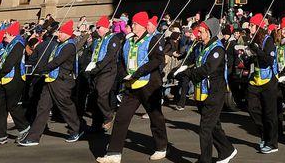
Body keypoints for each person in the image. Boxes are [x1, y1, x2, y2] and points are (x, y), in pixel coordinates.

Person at [99, 12, 168, 163]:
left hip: (149, 85)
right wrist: (125, 74)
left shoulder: (153, 39)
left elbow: (158, 59)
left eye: (135, 23)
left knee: (155, 117)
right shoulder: (128, 41)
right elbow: (121, 61)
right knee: (121, 118)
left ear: (143, 26)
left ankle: (161, 147)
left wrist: (139, 72)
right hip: (131, 86)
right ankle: (114, 153)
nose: (132, 26)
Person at [175, 17, 237, 163]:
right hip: (202, 92)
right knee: (213, 126)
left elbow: (207, 69)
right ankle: (227, 150)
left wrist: (188, 74)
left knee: (205, 129)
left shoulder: (217, 49)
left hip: (215, 93)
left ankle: (205, 160)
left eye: (201, 32)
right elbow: (191, 61)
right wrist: (178, 70)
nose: (198, 34)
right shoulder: (201, 46)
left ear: (209, 32)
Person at [20, 20, 83, 146]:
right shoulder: (60, 45)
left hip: (61, 81)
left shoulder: (69, 46)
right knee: (42, 107)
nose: (58, 34)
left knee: (65, 105)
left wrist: (42, 69)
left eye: (60, 32)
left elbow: (57, 62)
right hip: (50, 79)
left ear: (67, 34)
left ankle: (76, 129)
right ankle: (33, 136)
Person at [243, 14, 279, 153]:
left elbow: (268, 61)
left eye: (252, 26)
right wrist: (246, 56)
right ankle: (263, 134)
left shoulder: (267, 41)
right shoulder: (251, 40)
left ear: (258, 27)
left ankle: (272, 143)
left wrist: (256, 50)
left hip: (268, 81)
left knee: (270, 113)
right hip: (255, 80)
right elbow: (252, 61)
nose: (249, 28)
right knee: (252, 108)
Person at [85, 16, 122, 134]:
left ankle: (108, 116)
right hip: (96, 71)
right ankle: (96, 124)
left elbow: (109, 56)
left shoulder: (113, 39)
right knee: (95, 96)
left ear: (106, 27)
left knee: (101, 93)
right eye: (96, 27)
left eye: (99, 27)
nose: (97, 29)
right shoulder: (98, 40)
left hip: (107, 71)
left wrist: (98, 67)